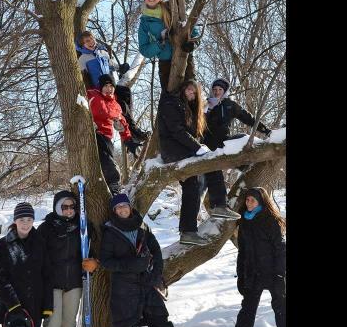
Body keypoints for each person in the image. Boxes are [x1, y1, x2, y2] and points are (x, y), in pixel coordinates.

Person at [99, 194, 180, 327]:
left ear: (129, 207)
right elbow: (106, 261)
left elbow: (156, 251)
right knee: (122, 326)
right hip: (124, 287)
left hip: (148, 284)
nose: (122, 209)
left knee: (161, 322)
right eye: (118, 207)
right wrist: (131, 265)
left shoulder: (141, 226)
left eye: (124, 206)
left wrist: (156, 274)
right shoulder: (110, 232)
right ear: (114, 211)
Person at [219, 187, 286, 327]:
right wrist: (241, 275)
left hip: (273, 273)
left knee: (281, 309)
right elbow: (242, 252)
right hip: (253, 274)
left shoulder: (271, 221)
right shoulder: (244, 222)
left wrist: (280, 274)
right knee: (247, 309)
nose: (248, 203)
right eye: (247, 200)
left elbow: (279, 250)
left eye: (252, 200)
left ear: (261, 202)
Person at [36, 191, 99, 327]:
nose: (69, 210)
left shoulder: (82, 226)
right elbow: (36, 257)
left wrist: (94, 262)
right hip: (52, 286)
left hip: (74, 285)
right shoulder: (46, 228)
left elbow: (92, 250)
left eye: (72, 206)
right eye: (65, 206)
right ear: (57, 207)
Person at [0, 202, 54, 327]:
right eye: (21, 219)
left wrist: (48, 305)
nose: (25, 223)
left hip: (35, 306)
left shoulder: (40, 243)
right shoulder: (4, 244)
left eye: (29, 219)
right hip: (11, 306)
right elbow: (0, 277)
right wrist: (14, 305)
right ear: (15, 221)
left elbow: (47, 276)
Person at [201, 78, 273, 219]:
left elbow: (249, 118)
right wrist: (206, 109)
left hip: (224, 144)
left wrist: (267, 131)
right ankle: (215, 207)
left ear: (224, 91)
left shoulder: (230, 105)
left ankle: (245, 167)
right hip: (206, 146)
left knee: (242, 137)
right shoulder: (205, 104)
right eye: (214, 90)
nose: (216, 92)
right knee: (205, 181)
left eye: (220, 90)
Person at [156, 79, 210, 245]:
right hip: (173, 151)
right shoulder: (171, 102)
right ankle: (216, 205)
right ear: (182, 89)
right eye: (189, 90)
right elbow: (176, 130)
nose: (191, 94)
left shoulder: (189, 108)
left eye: (194, 93)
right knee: (195, 183)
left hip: (183, 150)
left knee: (193, 187)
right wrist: (197, 147)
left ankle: (188, 231)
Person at [77, 31, 150, 142]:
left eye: (91, 39)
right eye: (87, 41)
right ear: (83, 45)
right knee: (120, 105)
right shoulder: (83, 59)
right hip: (98, 89)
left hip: (110, 86)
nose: (90, 42)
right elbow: (82, 76)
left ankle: (132, 127)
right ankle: (132, 133)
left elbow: (110, 65)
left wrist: (120, 67)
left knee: (125, 93)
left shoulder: (102, 52)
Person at [138, 0, 200, 92]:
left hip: (184, 56)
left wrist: (192, 43)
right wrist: (159, 43)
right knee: (170, 98)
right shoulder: (144, 22)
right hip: (166, 62)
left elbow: (193, 30)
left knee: (191, 94)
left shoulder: (172, 9)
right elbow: (144, 49)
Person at [88, 74, 143, 194]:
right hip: (93, 134)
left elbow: (122, 124)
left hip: (107, 138)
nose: (109, 89)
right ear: (100, 87)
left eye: (111, 86)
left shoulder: (115, 105)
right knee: (107, 160)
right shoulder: (92, 95)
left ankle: (111, 189)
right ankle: (114, 183)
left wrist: (129, 141)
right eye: (106, 86)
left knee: (107, 158)